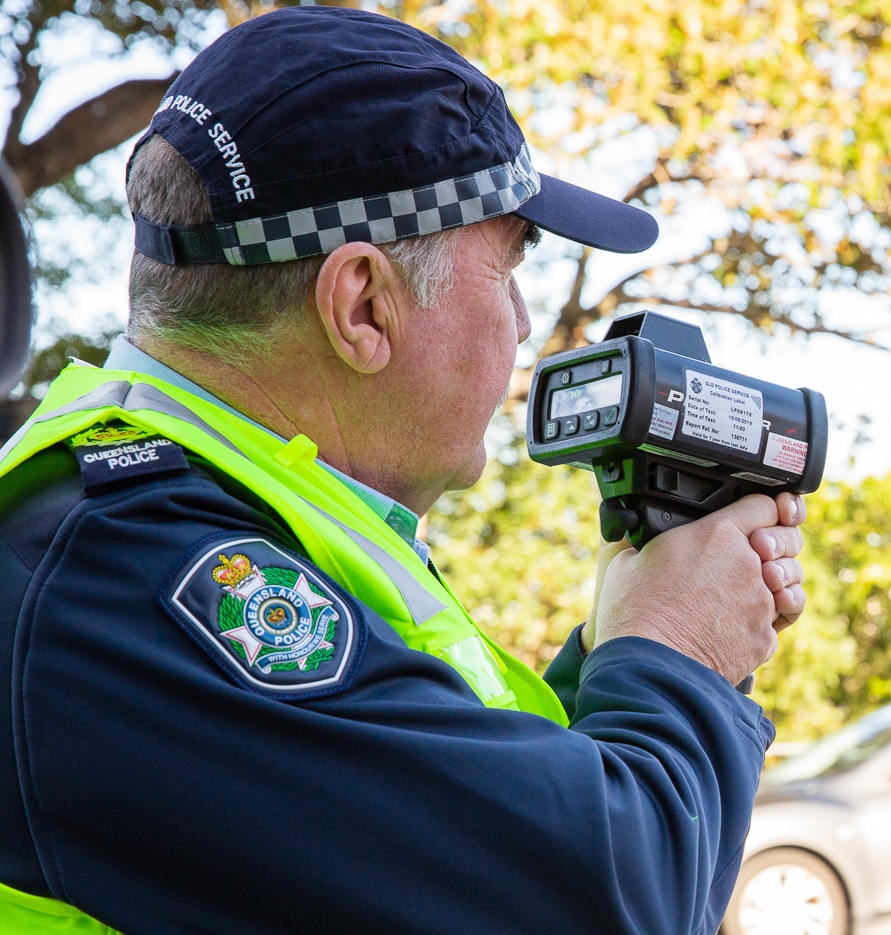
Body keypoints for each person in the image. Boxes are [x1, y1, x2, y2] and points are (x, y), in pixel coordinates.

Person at [0, 7, 805, 933]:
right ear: (363, 307)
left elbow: (435, 839)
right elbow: (600, 906)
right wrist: (679, 650)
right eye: (507, 271)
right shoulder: (147, 581)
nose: (525, 322)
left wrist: (624, 655)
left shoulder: (177, 530)